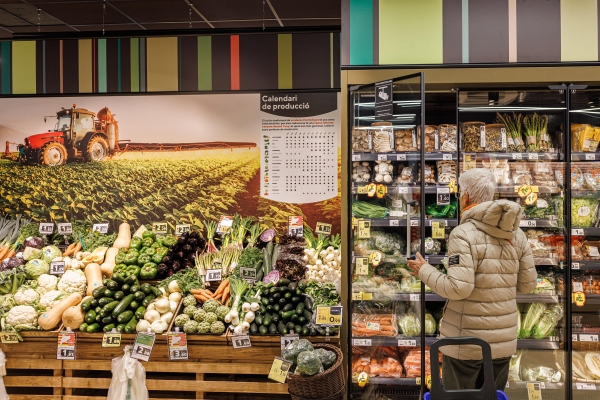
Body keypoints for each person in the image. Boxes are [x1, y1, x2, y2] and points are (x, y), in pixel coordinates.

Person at [407, 168, 537, 391]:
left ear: (465, 196)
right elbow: (528, 285)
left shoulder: (463, 233)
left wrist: (424, 271)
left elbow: (458, 289)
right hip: (502, 344)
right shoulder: (517, 234)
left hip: (466, 344)